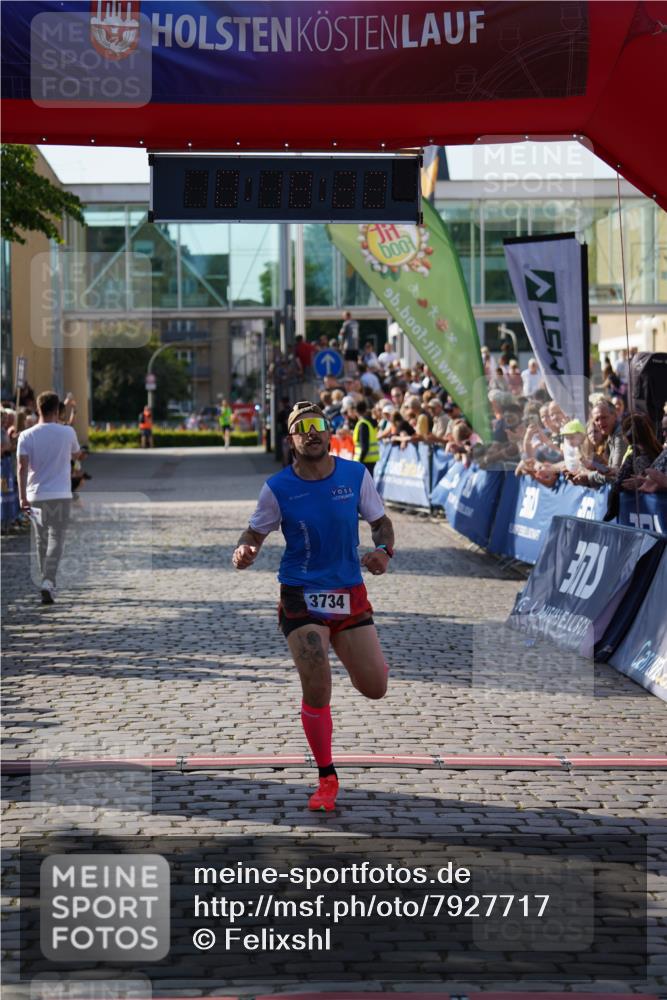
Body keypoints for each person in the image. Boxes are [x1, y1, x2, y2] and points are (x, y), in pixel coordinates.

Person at [232, 401, 394, 812]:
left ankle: (358, 655)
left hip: (349, 592)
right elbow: (256, 529)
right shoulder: (278, 488)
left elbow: (380, 522)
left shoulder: (356, 475)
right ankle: (327, 776)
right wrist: (246, 547)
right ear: (291, 440)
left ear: (328, 430)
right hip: (301, 593)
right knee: (318, 682)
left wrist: (383, 551)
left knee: (375, 688)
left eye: (319, 424)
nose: (312, 432)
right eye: (302, 428)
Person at [16, 391, 82, 604]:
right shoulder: (68, 432)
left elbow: (21, 468)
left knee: (40, 539)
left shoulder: (26, 436)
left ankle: (47, 580)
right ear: (57, 410)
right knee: (57, 539)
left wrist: (22, 497)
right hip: (61, 494)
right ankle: (48, 581)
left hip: (35, 494)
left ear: (38, 409)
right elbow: (75, 455)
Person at [352, 399, 380, 478]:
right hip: (370, 460)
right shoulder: (369, 422)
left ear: (356, 411)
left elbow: (365, 446)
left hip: (364, 461)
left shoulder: (363, 424)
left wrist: (360, 461)